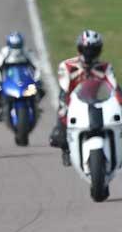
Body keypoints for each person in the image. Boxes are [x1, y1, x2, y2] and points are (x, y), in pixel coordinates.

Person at [49, 30, 122, 165]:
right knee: (60, 127)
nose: (89, 53)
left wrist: (119, 102)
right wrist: (65, 106)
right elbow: (64, 90)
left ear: (99, 50)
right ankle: (66, 148)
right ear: (80, 49)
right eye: (86, 49)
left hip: (98, 102)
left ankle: (116, 149)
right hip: (73, 103)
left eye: (93, 50)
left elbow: (114, 87)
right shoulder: (67, 66)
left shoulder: (105, 67)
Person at [0, 31, 45, 121]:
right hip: (10, 80)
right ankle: (2, 109)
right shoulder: (4, 53)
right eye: (14, 46)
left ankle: (35, 104)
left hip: (25, 79)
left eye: (18, 46)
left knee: (41, 90)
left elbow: (37, 66)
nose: (16, 49)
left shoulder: (27, 52)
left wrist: (37, 79)